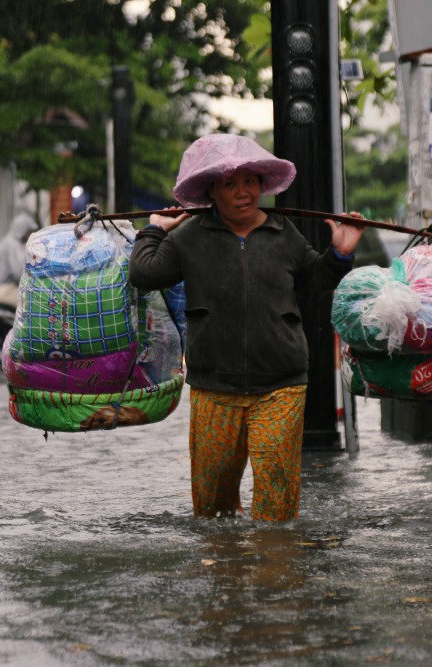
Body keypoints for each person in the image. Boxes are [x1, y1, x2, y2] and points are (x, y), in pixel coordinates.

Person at [129, 134, 363, 522]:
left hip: (282, 383)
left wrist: (340, 253)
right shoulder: (189, 237)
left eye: (250, 182)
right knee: (213, 501)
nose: (243, 193)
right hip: (213, 386)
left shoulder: (282, 232)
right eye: (230, 184)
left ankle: (275, 568)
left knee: (276, 490)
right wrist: (154, 229)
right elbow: (144, 273)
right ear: (211, 192)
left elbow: (315, 280)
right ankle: (227, 571)